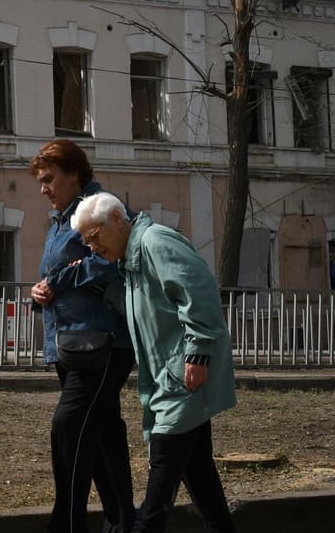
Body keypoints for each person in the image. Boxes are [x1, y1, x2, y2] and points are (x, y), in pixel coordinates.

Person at [71, 192, 237, 533]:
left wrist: (198, 352)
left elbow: (199, 290)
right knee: (199, 475)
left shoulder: (154, 242)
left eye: (95, 237)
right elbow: (146, 307)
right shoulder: (131, 261)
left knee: (159, 490)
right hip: (172, 380)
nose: (93, 247)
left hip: (182, 380)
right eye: (87, 242)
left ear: (117, 219)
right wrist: (101, 289)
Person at [29, 139, 137, 533]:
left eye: (49, 179)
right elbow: (56, 276)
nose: (44, 189)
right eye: (41, 182)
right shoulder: (60, 220)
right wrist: (39, 291)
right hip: (72, 344)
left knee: (69, 428)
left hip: (103, 342)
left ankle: (68, 524)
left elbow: (110, 258)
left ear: (74, 173)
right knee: (103, 435)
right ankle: (123, 523)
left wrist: (57, 281)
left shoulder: (100, 209)